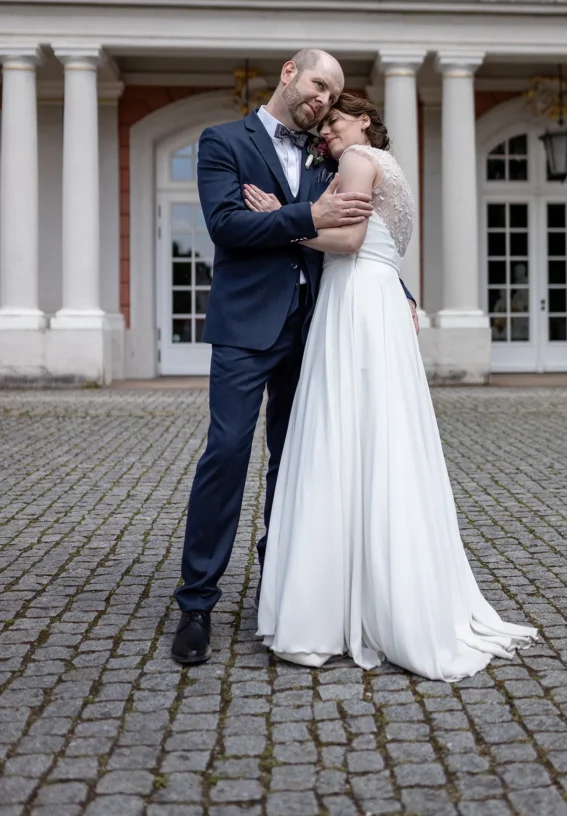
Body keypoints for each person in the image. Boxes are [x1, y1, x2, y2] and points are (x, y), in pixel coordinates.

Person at [248, 93, 537, 681]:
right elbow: (382, 244)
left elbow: (350, 243)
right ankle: (381, 593)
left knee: (341, 436)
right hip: (375, 301)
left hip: (354, 301)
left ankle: (331, 610)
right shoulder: (391, 167)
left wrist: (281, 219)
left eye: (335, 120)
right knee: (383, 439)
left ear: (364, 122)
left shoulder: (358, 159)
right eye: (322, 124)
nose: (326, 131)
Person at [171, 51, 417, 665]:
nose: (323, 101)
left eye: (333, 95)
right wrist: (306, 213)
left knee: (299, 459)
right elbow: (227, 225)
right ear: (288, 73)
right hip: (247, 325)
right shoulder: (223, 140)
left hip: (314, 328)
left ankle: (278, 585)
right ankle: (197, 601)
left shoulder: (326, 153)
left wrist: (399, 289)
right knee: (226, 452)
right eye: (317, 85)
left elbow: (360, 237)